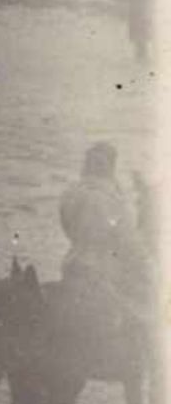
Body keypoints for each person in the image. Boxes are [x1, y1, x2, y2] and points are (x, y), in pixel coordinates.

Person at [59, 142, 150, 337]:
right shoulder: (115, 202)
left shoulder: (70, 195)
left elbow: (67, 227)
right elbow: (129, 243)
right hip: (103, 274)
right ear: (110, 167)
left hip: (72, 266)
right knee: (138, 325)